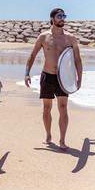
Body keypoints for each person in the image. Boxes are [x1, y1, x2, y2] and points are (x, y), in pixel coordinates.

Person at [24, 8, 82, 150]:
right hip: (47, 76)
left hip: (63, 78)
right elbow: (32, 55)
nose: (63, 18)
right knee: (47, 107)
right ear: (52, 18)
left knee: (63, 108)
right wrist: (27, 73)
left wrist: (79, 78)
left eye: (64, 16)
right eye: (60, 16)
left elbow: (77, 60)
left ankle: (62, 140)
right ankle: (48, 135)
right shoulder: (43, 37)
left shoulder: (70, 38)